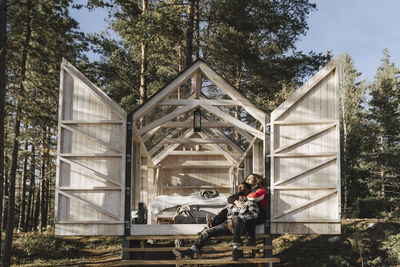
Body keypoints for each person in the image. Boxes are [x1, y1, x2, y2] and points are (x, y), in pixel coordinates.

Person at [173, 182, 259, 261]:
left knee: (236, 219)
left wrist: (239, 219)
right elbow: (222, 215)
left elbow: (254, 214)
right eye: (238, 188)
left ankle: (236, 250)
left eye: (241, 188)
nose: (239, 190)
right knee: (207, 231)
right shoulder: (231, 204)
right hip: (227, 226)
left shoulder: (250, 203)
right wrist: (213, 222)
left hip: (241, 227)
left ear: (247, 191)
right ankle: (191, 251)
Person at [228, 173, 267, 246]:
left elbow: (253, 197)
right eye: (247, 178)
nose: (247, 179)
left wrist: (241, 197)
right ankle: (238, 242)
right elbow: (230, 198)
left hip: (259, 215)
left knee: (249, 217)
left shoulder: (261, 189)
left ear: (256, 180)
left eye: (250, 178)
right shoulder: (247, 190)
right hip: (245, 213)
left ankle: (251, 239)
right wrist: (236, 201)